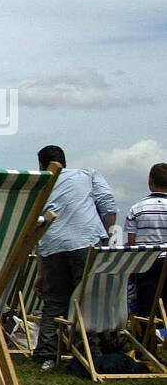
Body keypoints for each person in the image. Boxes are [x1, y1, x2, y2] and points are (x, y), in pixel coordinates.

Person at [32, 145, 117, 371]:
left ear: (41, 165)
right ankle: (90, 352)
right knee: (87, 298)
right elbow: (109, 207)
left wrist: (41, 272)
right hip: (86, 241)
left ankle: (46, 355)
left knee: (54, 302)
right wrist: (105, 236)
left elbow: (37, 228)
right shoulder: (87, 174)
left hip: (53, 246)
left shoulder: (41, 185)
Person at [125, 162, 167, 318]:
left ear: (151, 182)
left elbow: (131, 244)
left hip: (146, 263)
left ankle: (146, 339)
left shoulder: (136, 209)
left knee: (146, 309)